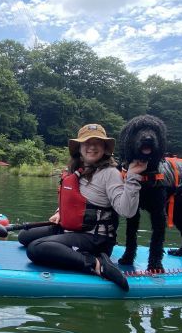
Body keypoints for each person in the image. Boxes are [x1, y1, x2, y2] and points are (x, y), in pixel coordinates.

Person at [18, 123, 147, 291]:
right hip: (72, 229)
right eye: (87, 142)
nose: (92, 147)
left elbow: (127, 211)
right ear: (79, 147)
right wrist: (59, 213)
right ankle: (76, 251)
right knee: (24, 236)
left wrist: (132, 178)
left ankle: (97, 263)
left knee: (36, 249)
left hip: (95, 238)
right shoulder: (77, 170)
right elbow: (74, 200)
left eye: (97, 143)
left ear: (105, 148)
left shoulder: (110, 173)